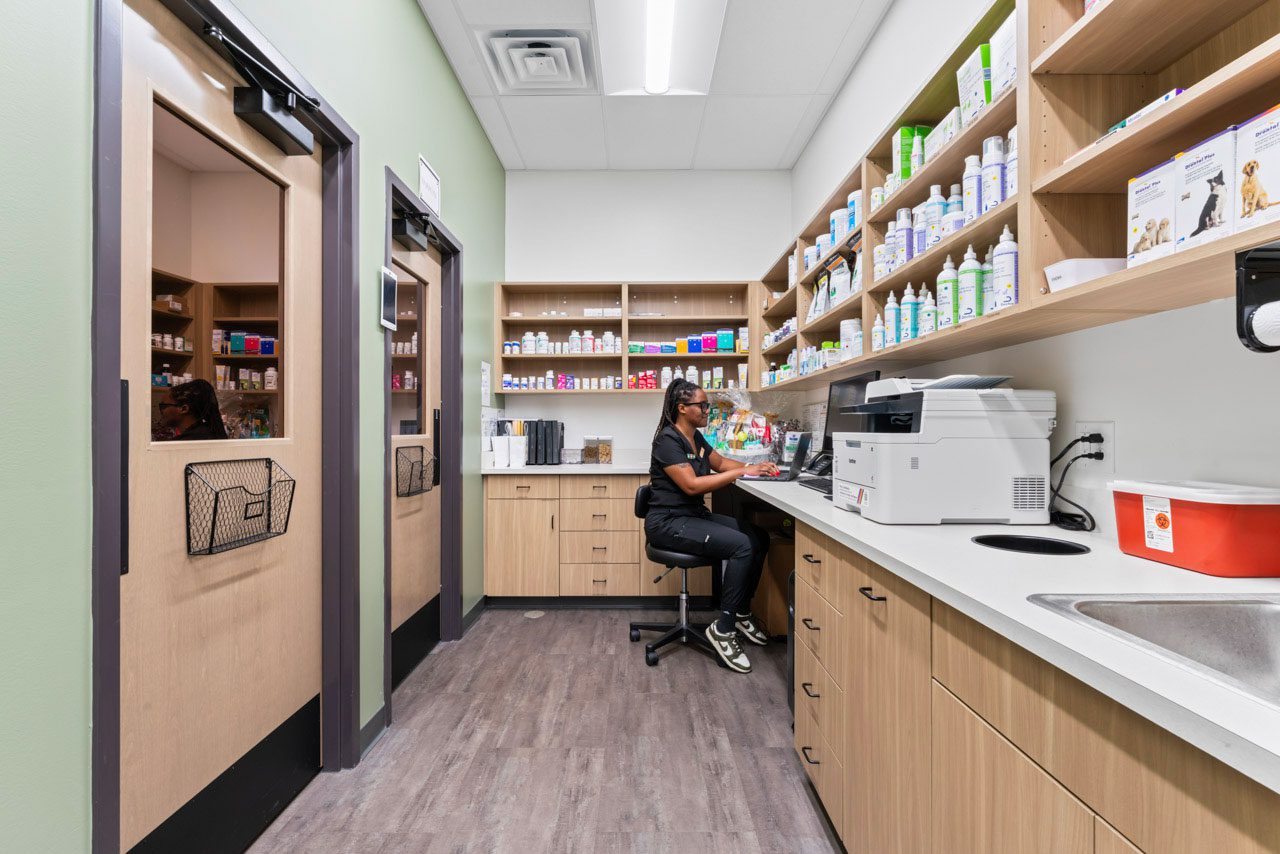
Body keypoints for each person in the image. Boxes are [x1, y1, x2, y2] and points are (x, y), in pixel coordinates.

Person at [646, 378, 779, 673]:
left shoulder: (695, 436)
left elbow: (720, 463)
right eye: (702, 405)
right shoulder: (668, 440)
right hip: (669, 522)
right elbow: (692, 485)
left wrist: (757, 465)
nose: (708, 410)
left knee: (756, 536)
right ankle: (723, 627)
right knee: (742, 546)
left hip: (693, 517)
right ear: (682, 408)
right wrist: (742, 472)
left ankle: (742, 611)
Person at [158, 379, 228, 440]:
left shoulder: (181, 445)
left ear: (184, 409)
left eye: (163, 406)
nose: (161, 411)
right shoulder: (209, 434)